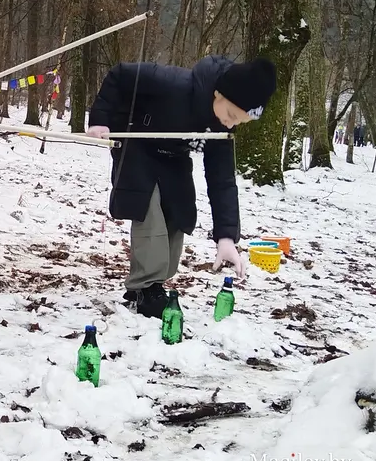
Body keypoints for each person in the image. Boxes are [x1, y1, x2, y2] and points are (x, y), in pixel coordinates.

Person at [86, 56, 277, 318]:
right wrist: (100, 118)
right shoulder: (174, 84)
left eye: (239, 122)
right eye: (231, 114)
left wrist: (226, 238)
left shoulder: (220, 130)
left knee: (179, 212)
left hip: (173, 156)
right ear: (218, 94)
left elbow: (222, 183)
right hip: (136, 142)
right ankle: (143, 288)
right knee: (148, 210)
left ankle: (155, 284)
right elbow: (120, 74)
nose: (231, 124)